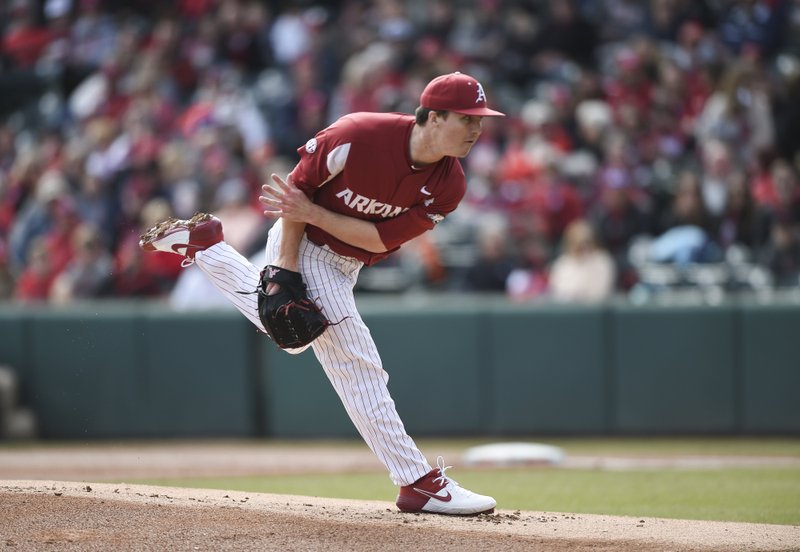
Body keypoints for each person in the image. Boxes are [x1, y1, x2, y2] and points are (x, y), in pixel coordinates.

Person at [139, 72, 505, 515]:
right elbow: (293, 198)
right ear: (432, 117)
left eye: (480, 120)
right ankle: (417, 481)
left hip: (346, 259)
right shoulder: (357, 135)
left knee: (292, 334)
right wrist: (284, 270)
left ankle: (207, 246)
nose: (477, 129)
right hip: (302, 243)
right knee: (357, 362)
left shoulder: (450, 184)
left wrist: (310, 217)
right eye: (466, 119)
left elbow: (377, 240)